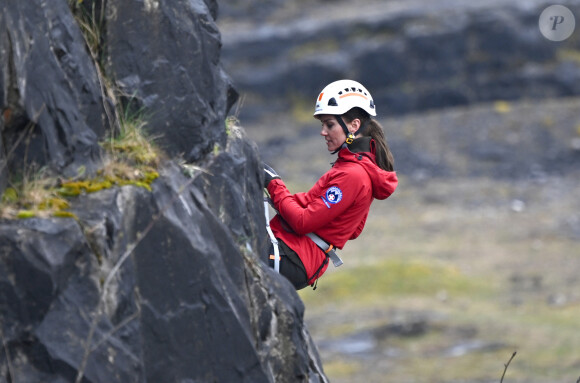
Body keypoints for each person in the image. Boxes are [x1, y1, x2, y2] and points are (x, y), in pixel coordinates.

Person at [263, 79, 398, 290]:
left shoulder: (353, 175)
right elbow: (352, 229)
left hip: (291, 257)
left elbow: (302, 222)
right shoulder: (351, 168)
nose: (323, 132)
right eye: (323, 125)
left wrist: (274, 184)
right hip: (295, 255)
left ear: (354, 125)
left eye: (330, 124)